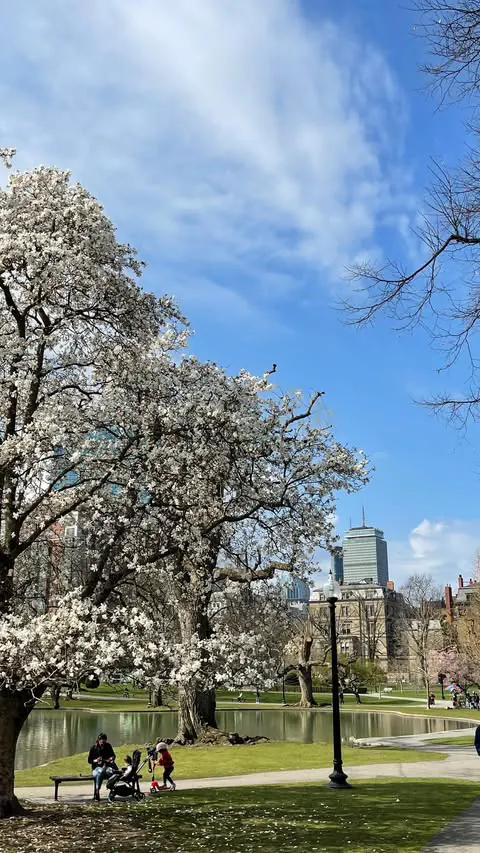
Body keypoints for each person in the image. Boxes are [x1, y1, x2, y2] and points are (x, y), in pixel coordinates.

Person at [88, 733, 116, 801]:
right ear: (98, 740)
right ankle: (97, 791)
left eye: (104, 741)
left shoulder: (108, 746)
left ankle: (112, 791)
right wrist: (96, 760)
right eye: (101, 741)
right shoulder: (93, 748)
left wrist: (111, 759)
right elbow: (89, 760)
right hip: (96, 769)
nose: (102, 743)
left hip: (106, 767)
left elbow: (113, 755)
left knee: (113, 772)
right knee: (100, 772)